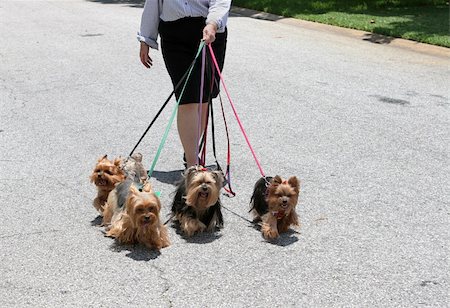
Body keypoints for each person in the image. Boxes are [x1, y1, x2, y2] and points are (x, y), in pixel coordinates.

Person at [137, 0, 232, 168]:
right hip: (174, 36)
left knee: (203, 98)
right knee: (188, 99)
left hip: (210, 32)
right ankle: (192, 165)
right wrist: (146, 38)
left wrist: (213, 23)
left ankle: (191, 150)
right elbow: (153, 4)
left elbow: (220, 1)